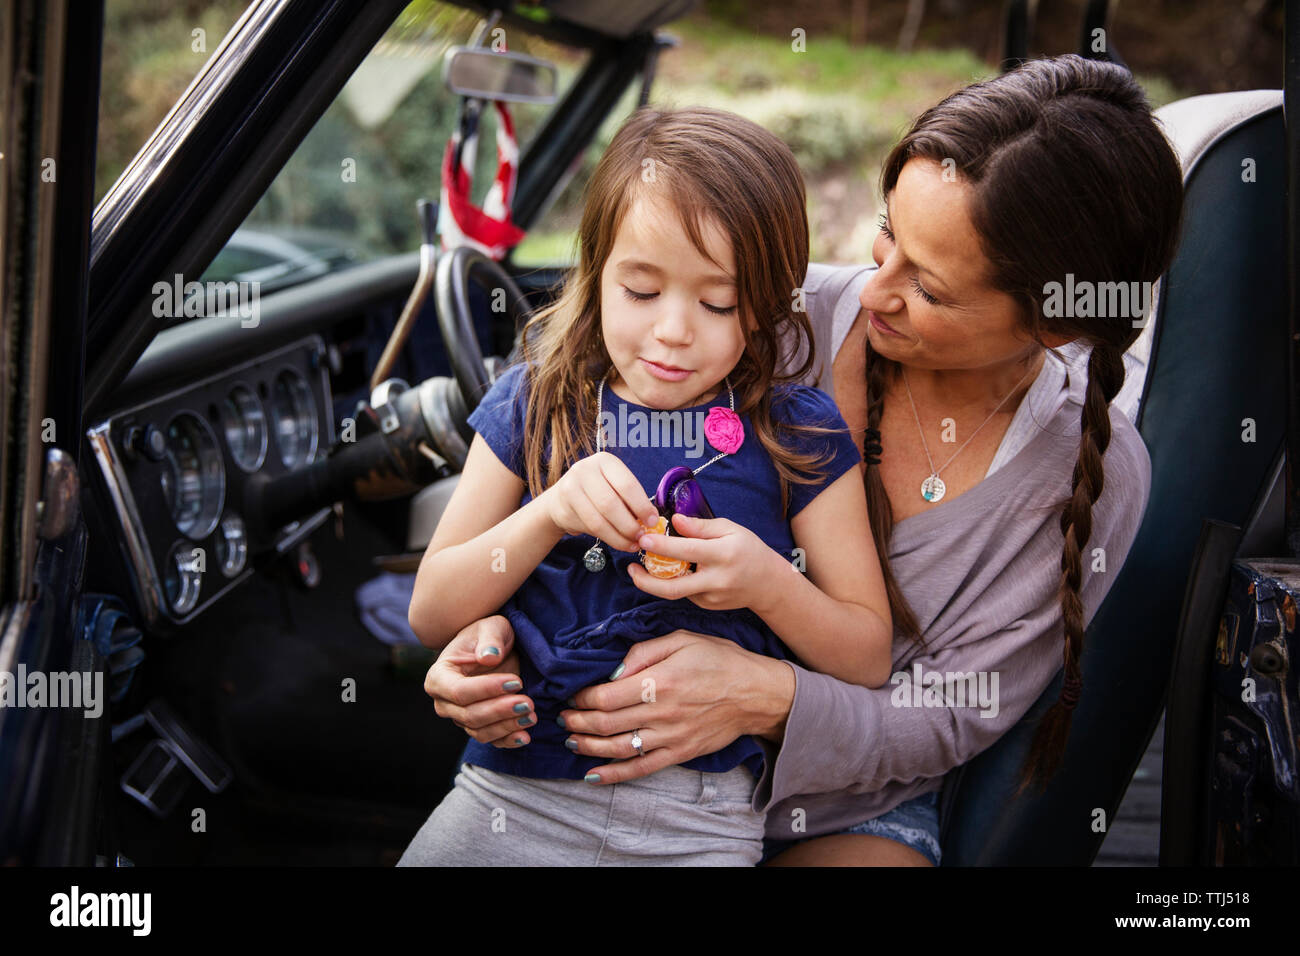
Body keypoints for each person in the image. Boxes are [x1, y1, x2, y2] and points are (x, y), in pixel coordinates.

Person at [415, 54, 1184, 867]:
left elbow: (948, 712)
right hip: (552, 779)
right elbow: (473, 577)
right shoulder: (754, 311)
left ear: (1053, 324)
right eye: (887, 233)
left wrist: (764, 697)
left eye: (928, 287)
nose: (874, 289)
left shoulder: (1081, 475)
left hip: (839, 800)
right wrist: (478, 643)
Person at [398, 106, 895, 866]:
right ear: (597, 273)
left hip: (698, 822)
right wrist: (549, 513)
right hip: (514, 794)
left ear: (764, 303)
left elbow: (865, 654)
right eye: (640, 290)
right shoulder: (535, 405)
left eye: (717, 302)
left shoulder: (796, 429)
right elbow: (432, 611)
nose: (672, 330)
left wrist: (767, 582)